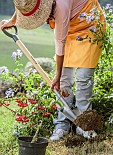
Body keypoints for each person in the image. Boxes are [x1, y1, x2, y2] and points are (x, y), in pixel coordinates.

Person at [0, 0, 106, 141]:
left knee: (83, 78)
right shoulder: (34, 2)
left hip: (89, 24)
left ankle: (84, 126)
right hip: (69, 27)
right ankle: (62, 125)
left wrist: (57, 74)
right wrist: (13, 21)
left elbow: (60, 43)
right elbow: (26, 5)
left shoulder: (61, 7)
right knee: (63, 80)